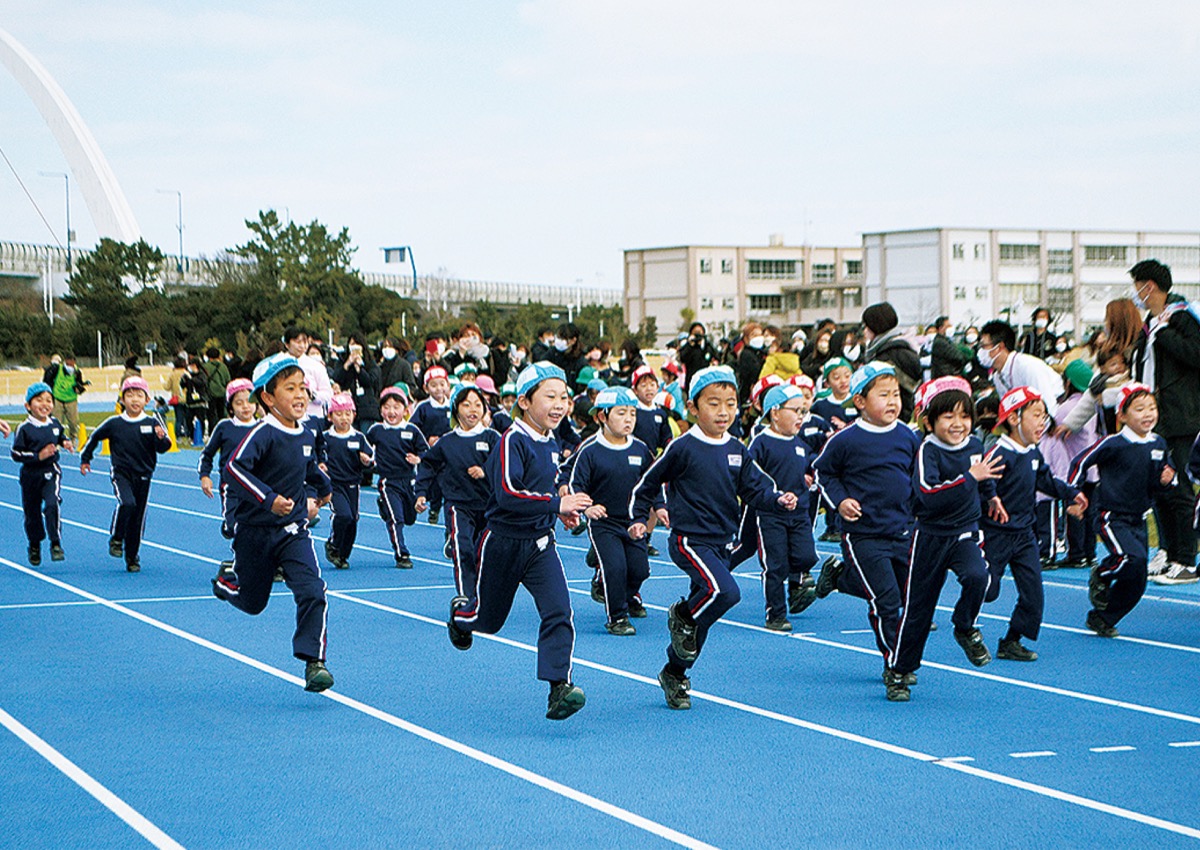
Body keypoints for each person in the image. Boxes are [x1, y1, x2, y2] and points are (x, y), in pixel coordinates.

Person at [630, 366, 797, 710]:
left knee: (698, 629)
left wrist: (777, 499)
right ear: (693, 407)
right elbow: (647, 483)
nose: (723, 412)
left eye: (731, 404)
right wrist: (637, 518)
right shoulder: (682, 447)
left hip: (722, 542)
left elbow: (756, 488)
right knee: (724, 592)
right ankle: (682, 615)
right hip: (689, 541)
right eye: (713, 404)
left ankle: (675, 672)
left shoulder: (737, 448)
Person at [447, 362, 592, 721]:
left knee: (559, 611)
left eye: (564, 397)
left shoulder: (551, 441)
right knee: (488, 621)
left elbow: (543, 485)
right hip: (503, 543)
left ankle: (559, 687)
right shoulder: (512, 439)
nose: (559, 404)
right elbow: (509, 494)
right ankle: (460, 617)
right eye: (550, 396)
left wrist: (558, 510)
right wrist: (557, 503)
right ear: (525, 401)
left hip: (541, 544)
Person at [212, 353, 335, 692]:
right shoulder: (263, 434)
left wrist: (324, 488)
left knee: (313, 590)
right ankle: (226, 583)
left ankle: (314, 662)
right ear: (267, 397)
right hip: (255, 533)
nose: (300, 395)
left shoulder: (307, 431)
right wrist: (268, 499)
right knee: (253, 603)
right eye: (290, 388)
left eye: (303, 388)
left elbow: (306, 466)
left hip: (294, 530)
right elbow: (234, 470)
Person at [812, 362, 920, 701]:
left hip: (902, 531)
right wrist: (841, 501)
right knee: (887, 602)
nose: (892, 401)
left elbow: (919, 479)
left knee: (906, 597)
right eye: (883, 395)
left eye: (896, 395)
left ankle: (841, 579)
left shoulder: (907, 436)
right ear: (859, 401)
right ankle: (896, 668)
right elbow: (822, 474)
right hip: (863, 535)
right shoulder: (845, 440)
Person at [890, 377, 1003, 697]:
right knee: (918, 610)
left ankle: (965, 626)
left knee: (979, 576)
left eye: (964, 416)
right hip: (930, 536)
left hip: (965, 531)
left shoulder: (976, 446)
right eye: (948, 417)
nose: (958, 424)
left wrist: (991, 496)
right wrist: (970, 478)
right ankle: (900, 670)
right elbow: (929, 495)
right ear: (929, 422)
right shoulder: (928, 451)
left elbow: (984, 478)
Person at [982, 386, 1086, 662]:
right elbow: (983, 483)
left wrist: (1071, 493)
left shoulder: (1033, 452)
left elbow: (1046, 481)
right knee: (987, 590)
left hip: (1024, 534)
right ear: (1014, 419)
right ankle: (965, 625)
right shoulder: (999, 452)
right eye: (1036, 415)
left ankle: (1012, 641)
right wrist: (992, 497)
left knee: (1033, 594)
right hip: (996, 533)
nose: (1043, 422)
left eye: (1045, 416)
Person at [1069, 383, 1176, 636]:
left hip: (1138, 518)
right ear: (1122, 415)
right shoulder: (1113, 443)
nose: (1148, 414)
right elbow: (1080, 461)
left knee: (1137, 580)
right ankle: (1102, 574)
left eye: (1152, 407)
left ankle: (1103, 617)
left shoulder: (1158, 443)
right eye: (1139, 409)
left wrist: (1167, 480)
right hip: (1110, 515)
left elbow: (1164, 481)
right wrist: (1074, 493)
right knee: (1132, 559)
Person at [1129, 259, 1200, 585]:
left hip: (1181, 418)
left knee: (1181, 488)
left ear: (1150, 286)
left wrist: (1165, 333)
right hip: (1153, 417)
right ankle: (1169, 552)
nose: (1137, 295)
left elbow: (1195, 354)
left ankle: (1186, 559)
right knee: (1159, 487)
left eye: (1138, 287)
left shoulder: (1181, 317)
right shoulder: (1151, 322)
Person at [566, 387, 658, 635]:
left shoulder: (640, 449)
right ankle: (617, 617)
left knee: (640, 569)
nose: (628, 419)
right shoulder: (590, 450)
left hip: (633, 522)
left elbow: (651, 482)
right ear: (602, 417)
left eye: (632, 413)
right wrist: (588, 507)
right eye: (621, 413)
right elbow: (577, 484)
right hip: (604, 522)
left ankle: (622, 594)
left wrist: (660, 508)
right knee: (615, 568)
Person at [415, 384, 500, 600]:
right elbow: (428, 465)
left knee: (485, 552)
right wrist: (421, 493)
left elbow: (505, 463)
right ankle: (466, 595)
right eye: (466, 404)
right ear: (456, 409)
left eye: (478, 405)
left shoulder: (492, 438)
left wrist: (486, 470)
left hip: (488, 505)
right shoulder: (447, 442)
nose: (473, 409)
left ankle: (483, 594)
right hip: (458, 504)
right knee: (463, 548)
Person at [79, 377, 172, 572]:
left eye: (139, 395)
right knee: (127, 503)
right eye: (129, 395)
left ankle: (132, 557)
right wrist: (86, 458)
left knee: (138, 517)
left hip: (144, 475)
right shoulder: (114, 423)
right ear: (122, 400)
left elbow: (164, 448)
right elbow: (95, 437)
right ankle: (117, 537)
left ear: (147, 400)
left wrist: (161, 438)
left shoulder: (153, 422)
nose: (134, 400)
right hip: (121, 472)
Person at [747, 384, 820, 631]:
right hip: (772, 514)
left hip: (799, 513)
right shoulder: (761, 442)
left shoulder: (799, 443)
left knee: (807, 556)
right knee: (775, 565)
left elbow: (809, 464)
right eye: (795, 410)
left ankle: (796, 584)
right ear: (775, 412)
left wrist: (810, 475)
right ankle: (776, 613)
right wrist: (775, 496)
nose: (801, 416)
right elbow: (750, 476)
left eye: (803, 411)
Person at [367, 387, 428, 569]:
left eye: (396, 407)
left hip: (409, 480)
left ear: (406, 409)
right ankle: (401, 553)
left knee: (409, 518)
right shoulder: (376, 430)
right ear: (381, 410)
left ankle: (385, 509)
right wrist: (366, 459)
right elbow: (365, 447)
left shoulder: (412, 430)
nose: (391, 412)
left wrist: (418, 458)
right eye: (387, 407)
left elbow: (425, 451)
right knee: (397, 519)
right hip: (388, 481)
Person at [11, 382, 71, 565]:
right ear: (28, 406)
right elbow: (16, 453)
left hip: (50, 471)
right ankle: (35, 544)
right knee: (32, 513)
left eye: (48, 400)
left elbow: (60, 436)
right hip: (30, 475)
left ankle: (55, 543)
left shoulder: (54, 423)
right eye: (39, 400)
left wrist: (66, 442)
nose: (44, 404)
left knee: (52, 505)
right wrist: (38, 455)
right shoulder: (24, 428)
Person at [198, 378, 258, 542]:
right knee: (234, 526)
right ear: (230, 407)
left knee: (254, 527)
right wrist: (205, 476)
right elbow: (207, 454)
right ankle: (229, 527)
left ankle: (246, 561)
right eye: (239, 403)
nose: (245, 406)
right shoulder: (224, 427)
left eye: (249, 401)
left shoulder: (263, 427)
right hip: (231, 486)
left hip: (257, 486)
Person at [319, 393, 374, 570]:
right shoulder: (325, 438)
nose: (344, 418)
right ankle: (333, 544)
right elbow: (317, 456)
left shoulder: (358, 437)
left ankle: (343, 554)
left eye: (348, 413)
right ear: (330, 416)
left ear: (354, 415)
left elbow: (370, 458)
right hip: (334, 484)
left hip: (353, 484)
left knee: (353, 520)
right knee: (343, 515)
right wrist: (321, 465)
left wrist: (366, 460)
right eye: (339, 414)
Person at [976, 320, 1063, 418]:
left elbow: (1049, 407)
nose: (981, 351)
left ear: (999, 347)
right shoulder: (997, 376)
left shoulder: (1028, 366)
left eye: (984, 346)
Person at [860, 303, 922, 422]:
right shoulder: (899, 347)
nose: (864, 331)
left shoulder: (888, 355)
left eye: (866, 326)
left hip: (895, 417)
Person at [410, 365, 453, 524]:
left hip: (449, 454)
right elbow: (413, 429)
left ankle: (447, 512)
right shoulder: (423, 408)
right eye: (433, 385)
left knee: (446, 483)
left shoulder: (453, 406)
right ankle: (434, 508)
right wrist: (426, 440)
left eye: (442, 384)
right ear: (426, 388)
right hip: (430, 454)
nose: (439, 389)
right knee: (433, 484)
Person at [283, 327, 334, 419]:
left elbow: (328, 395)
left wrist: (313, 395)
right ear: (287, 344)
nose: (302, 346)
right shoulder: (279, 364)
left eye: (305, 342)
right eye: (298, 342)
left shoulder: (316, 366)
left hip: (312, 416)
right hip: (286, 417)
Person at [42, 353, 87, 444]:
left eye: (72, 364)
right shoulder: (57, 369)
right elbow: (48, 380)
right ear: (65, 362)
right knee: (57, 421)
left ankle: (73, 438)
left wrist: (80, 387)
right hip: (58, 398)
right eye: (68, 364)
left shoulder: (77, 372)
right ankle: (57, 440)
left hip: (71, 399)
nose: (70, 366)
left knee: (73, 422)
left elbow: (79, 383)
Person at [677, 322, 718, 392]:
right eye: (695, 333)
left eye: (699, 333)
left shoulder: (707, 346)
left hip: (705, 380)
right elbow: (682, 358)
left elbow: (716, 356)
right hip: (691, 380)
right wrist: (690, 345)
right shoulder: (688, 346)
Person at [735, 322, 767, 407]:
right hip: (749, 394)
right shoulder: (746, 354)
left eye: (760, 335)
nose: (758, 338)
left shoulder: (762, 353)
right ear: (746, 338)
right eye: (754, 335)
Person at [202, 347, 231, 436]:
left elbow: (203, 380)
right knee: (221, 414)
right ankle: (224, 432)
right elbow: (228, 380)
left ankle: (212, 433)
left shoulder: (205, 367)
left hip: (210, 394)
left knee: (211, 415)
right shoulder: (223, 366)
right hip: (222, 393)